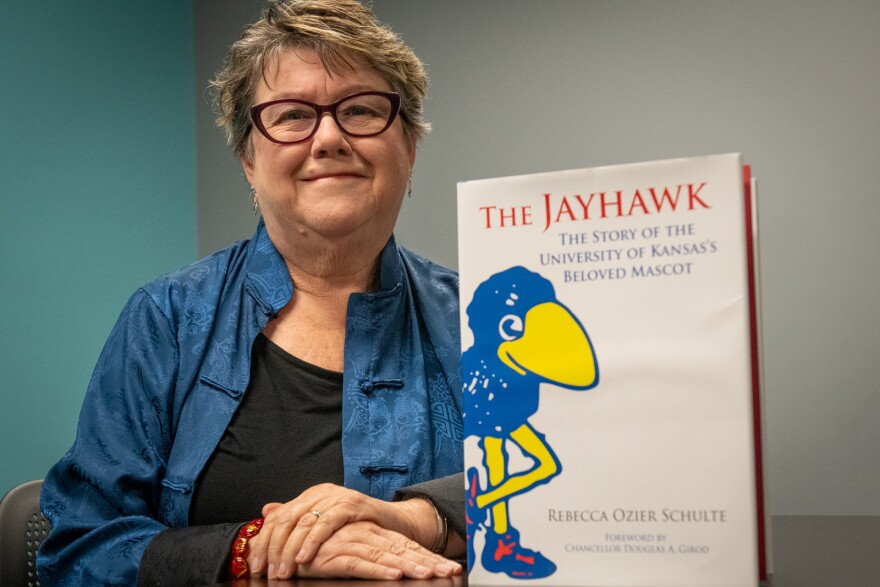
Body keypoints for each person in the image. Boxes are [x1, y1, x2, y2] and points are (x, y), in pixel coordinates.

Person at [37, 1, 466, 584]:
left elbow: (560, 487)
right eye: (292, 116)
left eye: (362, 110)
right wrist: (253, 551)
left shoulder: (478, 319)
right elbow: (78, 551)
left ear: (409, 147)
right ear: (248, 157)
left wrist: (425, 516)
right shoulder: (166, 318)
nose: (330, 138)